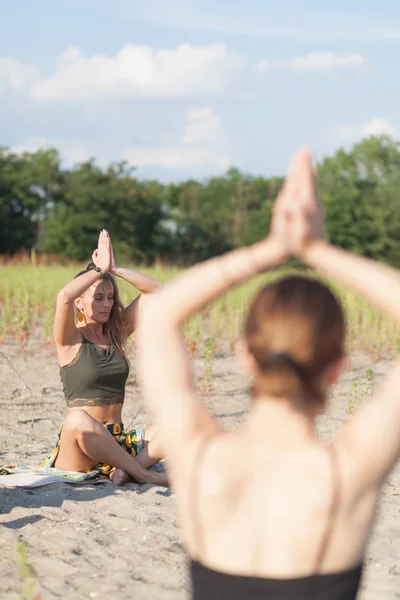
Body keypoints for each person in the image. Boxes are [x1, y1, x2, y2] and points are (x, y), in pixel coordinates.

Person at [137, 148, 400, 599]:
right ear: (338, 366)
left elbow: (158, 315)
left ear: (245, 355)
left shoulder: (201, 460)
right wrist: (318, 249)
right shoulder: (347, 472)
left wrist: (271, 248)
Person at [46, 229, 167, 487]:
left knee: (177, 423)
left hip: (117, 442)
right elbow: (63, 296)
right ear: (80, 303)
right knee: (76, 418)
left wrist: (114, 268)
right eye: (98, 297)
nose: (106, 304)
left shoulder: (116, 333)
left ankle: (124, 470)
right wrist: (98, 270)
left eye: (110, 297)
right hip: (81, 448)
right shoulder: (70, 339)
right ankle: (143, 474)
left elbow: (157, 291)